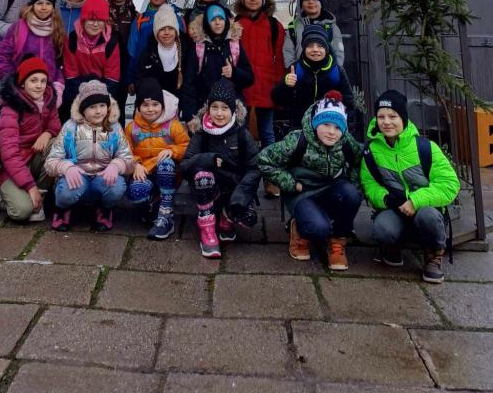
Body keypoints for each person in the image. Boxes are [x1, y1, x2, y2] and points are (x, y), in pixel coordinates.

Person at [361, 89, 460, 284]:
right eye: (381, 117)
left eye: (393, 116)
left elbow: (450, 184)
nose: (386, 122)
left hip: (424, 207)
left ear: (403, 118)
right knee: (382, 228)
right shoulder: (371, 150)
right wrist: (385, 198)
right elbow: (368, 183)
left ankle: (434, 253)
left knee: (428, 217)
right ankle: (392, 246)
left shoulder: (425, 147)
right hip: (394, 208)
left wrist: (415, 201)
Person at [258, 90, 362, 270]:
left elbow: (359, 161)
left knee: (352, 195)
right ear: (315, 122)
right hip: (302, 191)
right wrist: (290, 184)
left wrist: (352, 182)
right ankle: (299, 227)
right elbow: (264, 160)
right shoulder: (297, 140)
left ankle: (337, 240)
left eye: (338, 127)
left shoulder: (346, 142)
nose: (331, 132)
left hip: (331, 188)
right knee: (318, 229)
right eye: (326, 124)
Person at [181, 79, 260, 258]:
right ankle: (207, 228)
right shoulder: (201, 132)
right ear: (208, 108)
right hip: (208, 187)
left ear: (233, 110)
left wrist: (242, 195)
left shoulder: (242, 134)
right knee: (203, 177)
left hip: (234, 186)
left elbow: (255, 167)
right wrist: (208, 159)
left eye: (224, 108)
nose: (219, 113)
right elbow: (185, 164)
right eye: (214, 107)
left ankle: (227, 217)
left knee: (248, 218)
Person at [45, 79, 133, 232]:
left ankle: (104, 209)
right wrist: (66, 167)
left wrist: (116, 165)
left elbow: (129, 160)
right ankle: (63, 209)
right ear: (83, 109)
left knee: (117, 187)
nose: (98, 111)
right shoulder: (70, 127)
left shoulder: (115, 128)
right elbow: (51, 161)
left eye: (102, 106)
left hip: (102, 179)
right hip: (77, 179)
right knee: (66, 191)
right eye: (92, 107)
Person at [233, 0, 285, 197]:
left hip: (266, 85)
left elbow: (280, 56)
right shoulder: (236, 23)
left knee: (267, 133)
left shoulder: (274, 25)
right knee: (241, 134)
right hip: (243, 85)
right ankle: (243, 178)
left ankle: (270, 179)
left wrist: (280, 85)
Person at [0, 56, 61, 223]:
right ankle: (9, 197)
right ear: (23, 83)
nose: (39, 85)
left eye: (43, 81)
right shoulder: (11, 108)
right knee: (22, 212)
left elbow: (56, 126)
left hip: (35, 159)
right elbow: (9, 154)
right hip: (13, 168)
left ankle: (40, 198)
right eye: (33, 80)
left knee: (57, 144)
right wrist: (30, 186)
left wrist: (47, 133)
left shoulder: (48, 100)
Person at [125, 77, 189, 239]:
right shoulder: (132, 128)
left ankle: (166, 213)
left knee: (165, 165)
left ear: (162, 105)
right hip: (144, 171)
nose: (150, 109)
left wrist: (173, 150)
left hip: (167, 172)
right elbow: (124, 152)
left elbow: (187, 146)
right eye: (145, 105)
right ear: (138, 107)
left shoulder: (173, 125)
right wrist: (135, 164)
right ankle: (153, 206)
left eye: (155, 104)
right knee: (136, 191)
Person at [0, 0, 65, 106]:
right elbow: (0, 57)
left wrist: (58, 85)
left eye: (48, 3)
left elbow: (60, 64)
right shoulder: (19, 28)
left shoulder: (57, 31)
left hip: (47, 94)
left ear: (53, 7)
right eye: (39, 3)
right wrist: (12, 80)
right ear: (32, 5)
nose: (44, 7)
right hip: (22, 92)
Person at [272, 23, 354, 130]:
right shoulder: (295, 69)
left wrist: (345, 127)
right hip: (300, 127)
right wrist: (285, 84)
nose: (315, 49)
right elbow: (277, 100)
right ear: (304, 48)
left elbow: (349, 102)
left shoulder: (337, 71)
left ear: (326, 48)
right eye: (310, 46)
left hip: (330, 129)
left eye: (320, 46)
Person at [181, 4, 253, 120]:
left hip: (232, 112)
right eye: (213, 19)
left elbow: (249, 78)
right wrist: (191, 116)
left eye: (221, 18)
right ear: (207, 23)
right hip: (205, 111)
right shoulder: (198, 47)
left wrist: (234, 72)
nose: (218, 23)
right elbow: (189, 84)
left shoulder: (234, 44)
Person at [61, 0, 121, 119]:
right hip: (76, 92)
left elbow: (112, 78)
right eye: (91, 19)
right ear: (83, 20)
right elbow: (71, 74)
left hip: (102, 93)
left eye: (100, 20)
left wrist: (98, 99)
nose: (95, 24)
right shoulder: (72, 39)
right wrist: (83, 99)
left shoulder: (111, 43)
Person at [127, 0, 185, 83]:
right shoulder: (140, 20)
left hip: (170, 77)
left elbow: (183, 48)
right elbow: (132, 51)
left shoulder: (177, 19)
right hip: (143, 76)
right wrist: (130, 79)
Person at [284, 0, 345, 71]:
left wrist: (330, 72)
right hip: (300, 76)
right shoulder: (293, 27)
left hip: (326, 76)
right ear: (301, 4)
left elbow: (338, 53)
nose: (311, 2)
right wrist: (293, 71)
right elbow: (288, 52)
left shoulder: (332, 27)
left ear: (321, 3)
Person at [135, 4, 188, 103]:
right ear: (156, 32)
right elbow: (141, 83)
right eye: (162, 29)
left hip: (180, 105)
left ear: (176, 31)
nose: (167, 33)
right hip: (154, 105)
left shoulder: (187, 51)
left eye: (170, 28)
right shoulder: (148, 53)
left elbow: (191, 84)